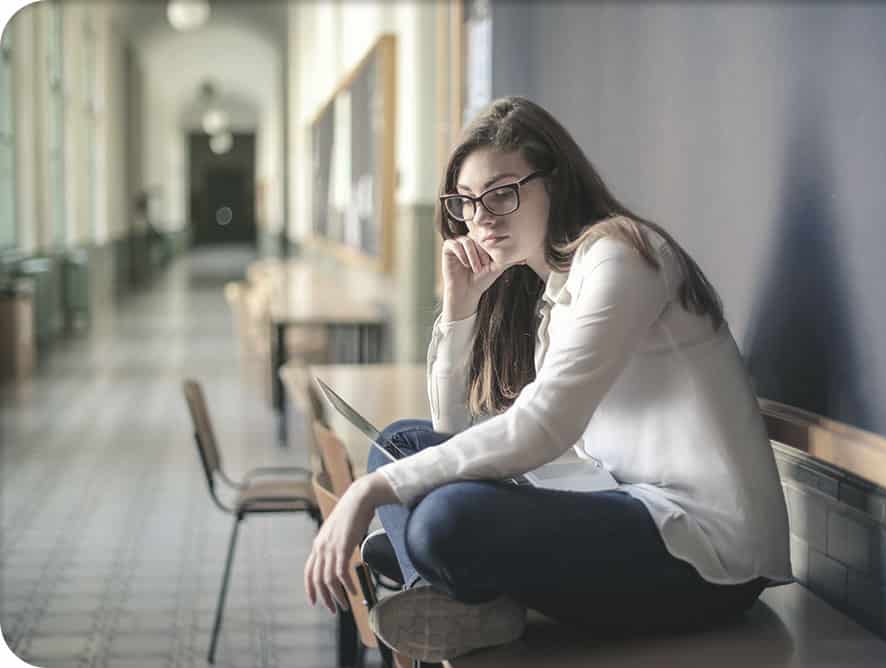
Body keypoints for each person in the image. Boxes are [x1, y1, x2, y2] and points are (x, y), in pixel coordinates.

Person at [303, 96, 792, 663]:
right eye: (466, 202)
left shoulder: (622, 257)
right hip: (620, 503)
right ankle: (456, 598)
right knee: (400, 448)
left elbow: (544, 427)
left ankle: (447, 583)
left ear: (555, 183)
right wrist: (460, 309)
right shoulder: (554, 294)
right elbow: (450, 428)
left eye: (503, 193)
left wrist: (369, 493)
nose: (482, 218)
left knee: (443, 516)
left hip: (706, 555)